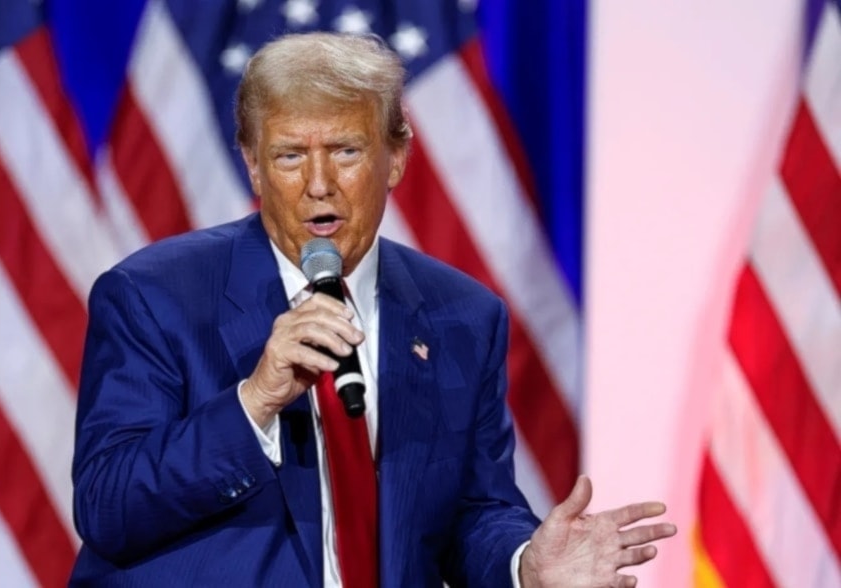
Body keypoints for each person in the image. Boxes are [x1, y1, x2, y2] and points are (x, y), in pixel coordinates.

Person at [69, 32, 676, 587]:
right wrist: (254, 402)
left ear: (397, 157)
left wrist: (525, 566)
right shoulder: (153, 296)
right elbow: (106, 505)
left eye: (346, 151)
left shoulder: (461, 316)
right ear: (252, 165)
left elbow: (471, 514)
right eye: (287, 156)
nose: (318, 183)